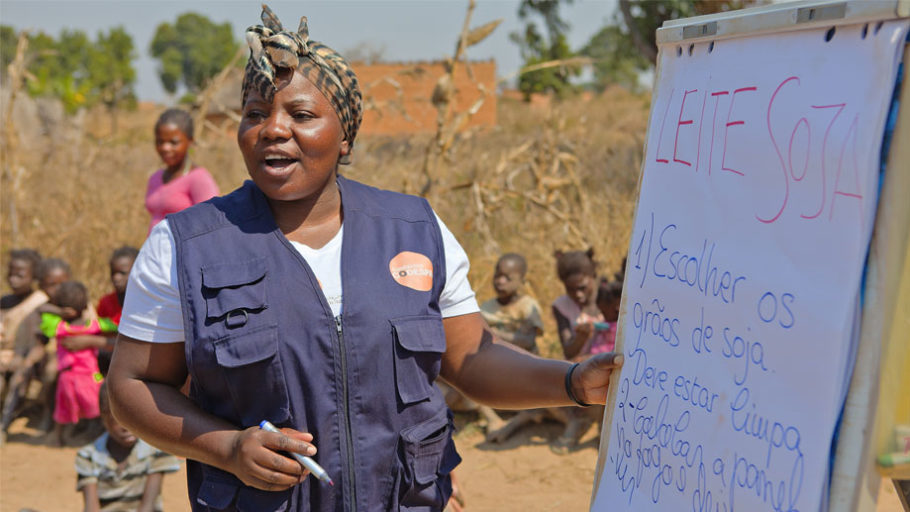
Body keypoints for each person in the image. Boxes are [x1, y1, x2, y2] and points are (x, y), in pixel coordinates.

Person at [107, 6, 622, 512]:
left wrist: (572, 382)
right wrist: (227, 447)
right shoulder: (186, 245)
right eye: (255, 114)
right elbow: (131, 386)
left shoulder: (416, 230)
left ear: (345, 136)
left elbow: (471, 359)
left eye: (301, 114)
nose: (273, 129)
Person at [76, 382, 180, 512]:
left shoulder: (155, 451)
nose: (127, 427)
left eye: (132, 417)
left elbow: (147, 507)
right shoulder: (88, 456)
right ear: (104, 416)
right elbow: (91, 509)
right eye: (118, 419)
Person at [0, 257, 72, 434]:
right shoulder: (39, 309)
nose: (56, 290)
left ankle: (49, 415)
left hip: (68, 358)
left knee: (50, 370)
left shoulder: (75, 304)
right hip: (31, 354)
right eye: (50, 285)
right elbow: (34, 344)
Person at [40, 281, 115, 446]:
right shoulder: (93, 327)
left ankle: (57, 437)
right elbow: (115, 326)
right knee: (97, 407)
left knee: (63, 409)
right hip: (90, 377)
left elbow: (42, 311)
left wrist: (59, 311)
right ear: (85, 306)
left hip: (66, 376)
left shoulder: (58, 328)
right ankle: (103, 435)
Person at [145, 108, 219, 233]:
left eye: (173, 142)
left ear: (190, 142)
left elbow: (211, 225)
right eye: (160, 142)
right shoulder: (156, 178)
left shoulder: (199, 178)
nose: (165, 148)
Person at [1, 249, 45, 399]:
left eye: (20, 276)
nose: (13, 280)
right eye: (11, 275)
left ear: (34, 277)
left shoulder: (39, 303)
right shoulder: (5, 301)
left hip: (22, 356)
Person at [95, 247, 139, 375]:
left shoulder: (143, 305)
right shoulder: (106, 302)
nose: (116, 278)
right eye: (113, 273)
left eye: (122, 273)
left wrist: (92, 341)